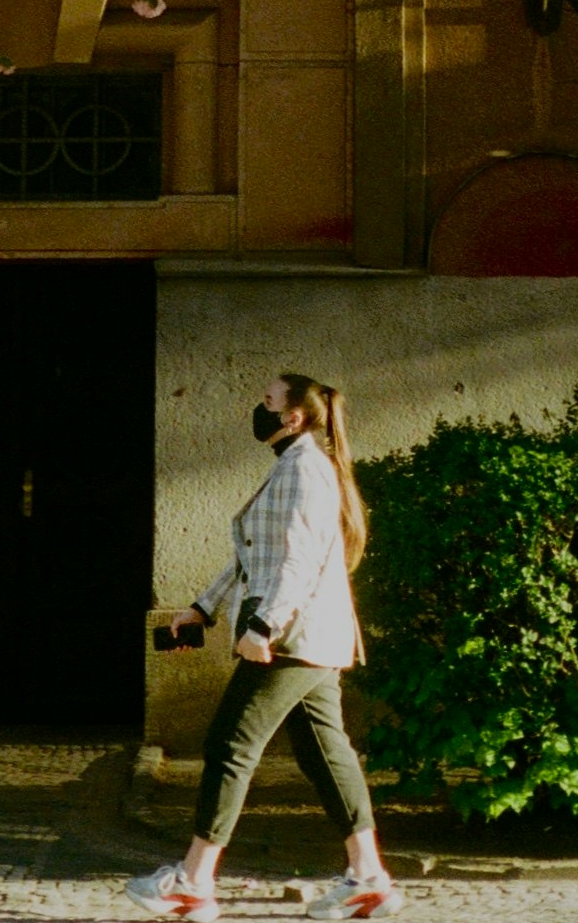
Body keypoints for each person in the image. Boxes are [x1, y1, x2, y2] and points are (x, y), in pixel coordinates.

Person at [126, 374, 401, 923]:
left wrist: (264, 628)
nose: (259, 407)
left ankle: (194, 883)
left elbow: (297, 562)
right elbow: (254, 555)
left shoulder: (304, 470)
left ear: (293, 417)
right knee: (325, 754)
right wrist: (203, 608)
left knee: (230, 744)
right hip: (311, 635)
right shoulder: (294, 467)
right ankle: (368, 879)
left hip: (293, 638)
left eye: (268, 401)